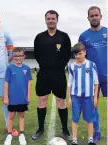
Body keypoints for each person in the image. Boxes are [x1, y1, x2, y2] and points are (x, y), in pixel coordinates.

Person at [32, 10, 72, 140]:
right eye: (48, 18)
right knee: (42, 100)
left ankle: (65, 129)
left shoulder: (64, 36)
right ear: (45, 20)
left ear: (57, 20)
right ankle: (40, 129)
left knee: (61, 101)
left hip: (59, 74)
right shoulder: (39, 37)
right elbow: (36, 54)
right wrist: (46, 65)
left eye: (53, 18)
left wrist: (58, 66)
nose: (51, 20)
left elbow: (67, 54)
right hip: (44, 73)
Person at [79, 6, 107, 143]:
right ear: (88, 18)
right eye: (92, 16)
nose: (94, 17)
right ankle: (97, 132)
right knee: (93, 105)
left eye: (97, 15)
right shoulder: (83, 36)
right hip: (92, 78)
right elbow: (80, 56)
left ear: (101, 16)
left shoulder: (107, 32)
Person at [68, 42, 98, 145]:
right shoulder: (71, 67)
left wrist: (95, 97)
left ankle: (90, 139)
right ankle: (74, 140)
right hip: (75, 97)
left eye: (80, 53)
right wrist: (69, 98)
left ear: (85, 52)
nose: (78, 56)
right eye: (76, 54)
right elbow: (70, 83)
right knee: (75, 118)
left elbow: (96, 82)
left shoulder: (91, 64)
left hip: (88, 97)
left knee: (89, 118)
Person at [4, 47, 32, 145]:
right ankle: (9, 133)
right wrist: (6, 97)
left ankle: (21, 133)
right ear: (13, 57)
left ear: (24, 56)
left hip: (22, 97)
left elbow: (29, 83)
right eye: (16, 56)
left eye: (20, 56)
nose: (18, 58)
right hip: (12, 98)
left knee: (21, 115)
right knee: (11, 116)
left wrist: (28, 95)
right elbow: (6, 83)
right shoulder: (10, 68)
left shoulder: (27, 68)